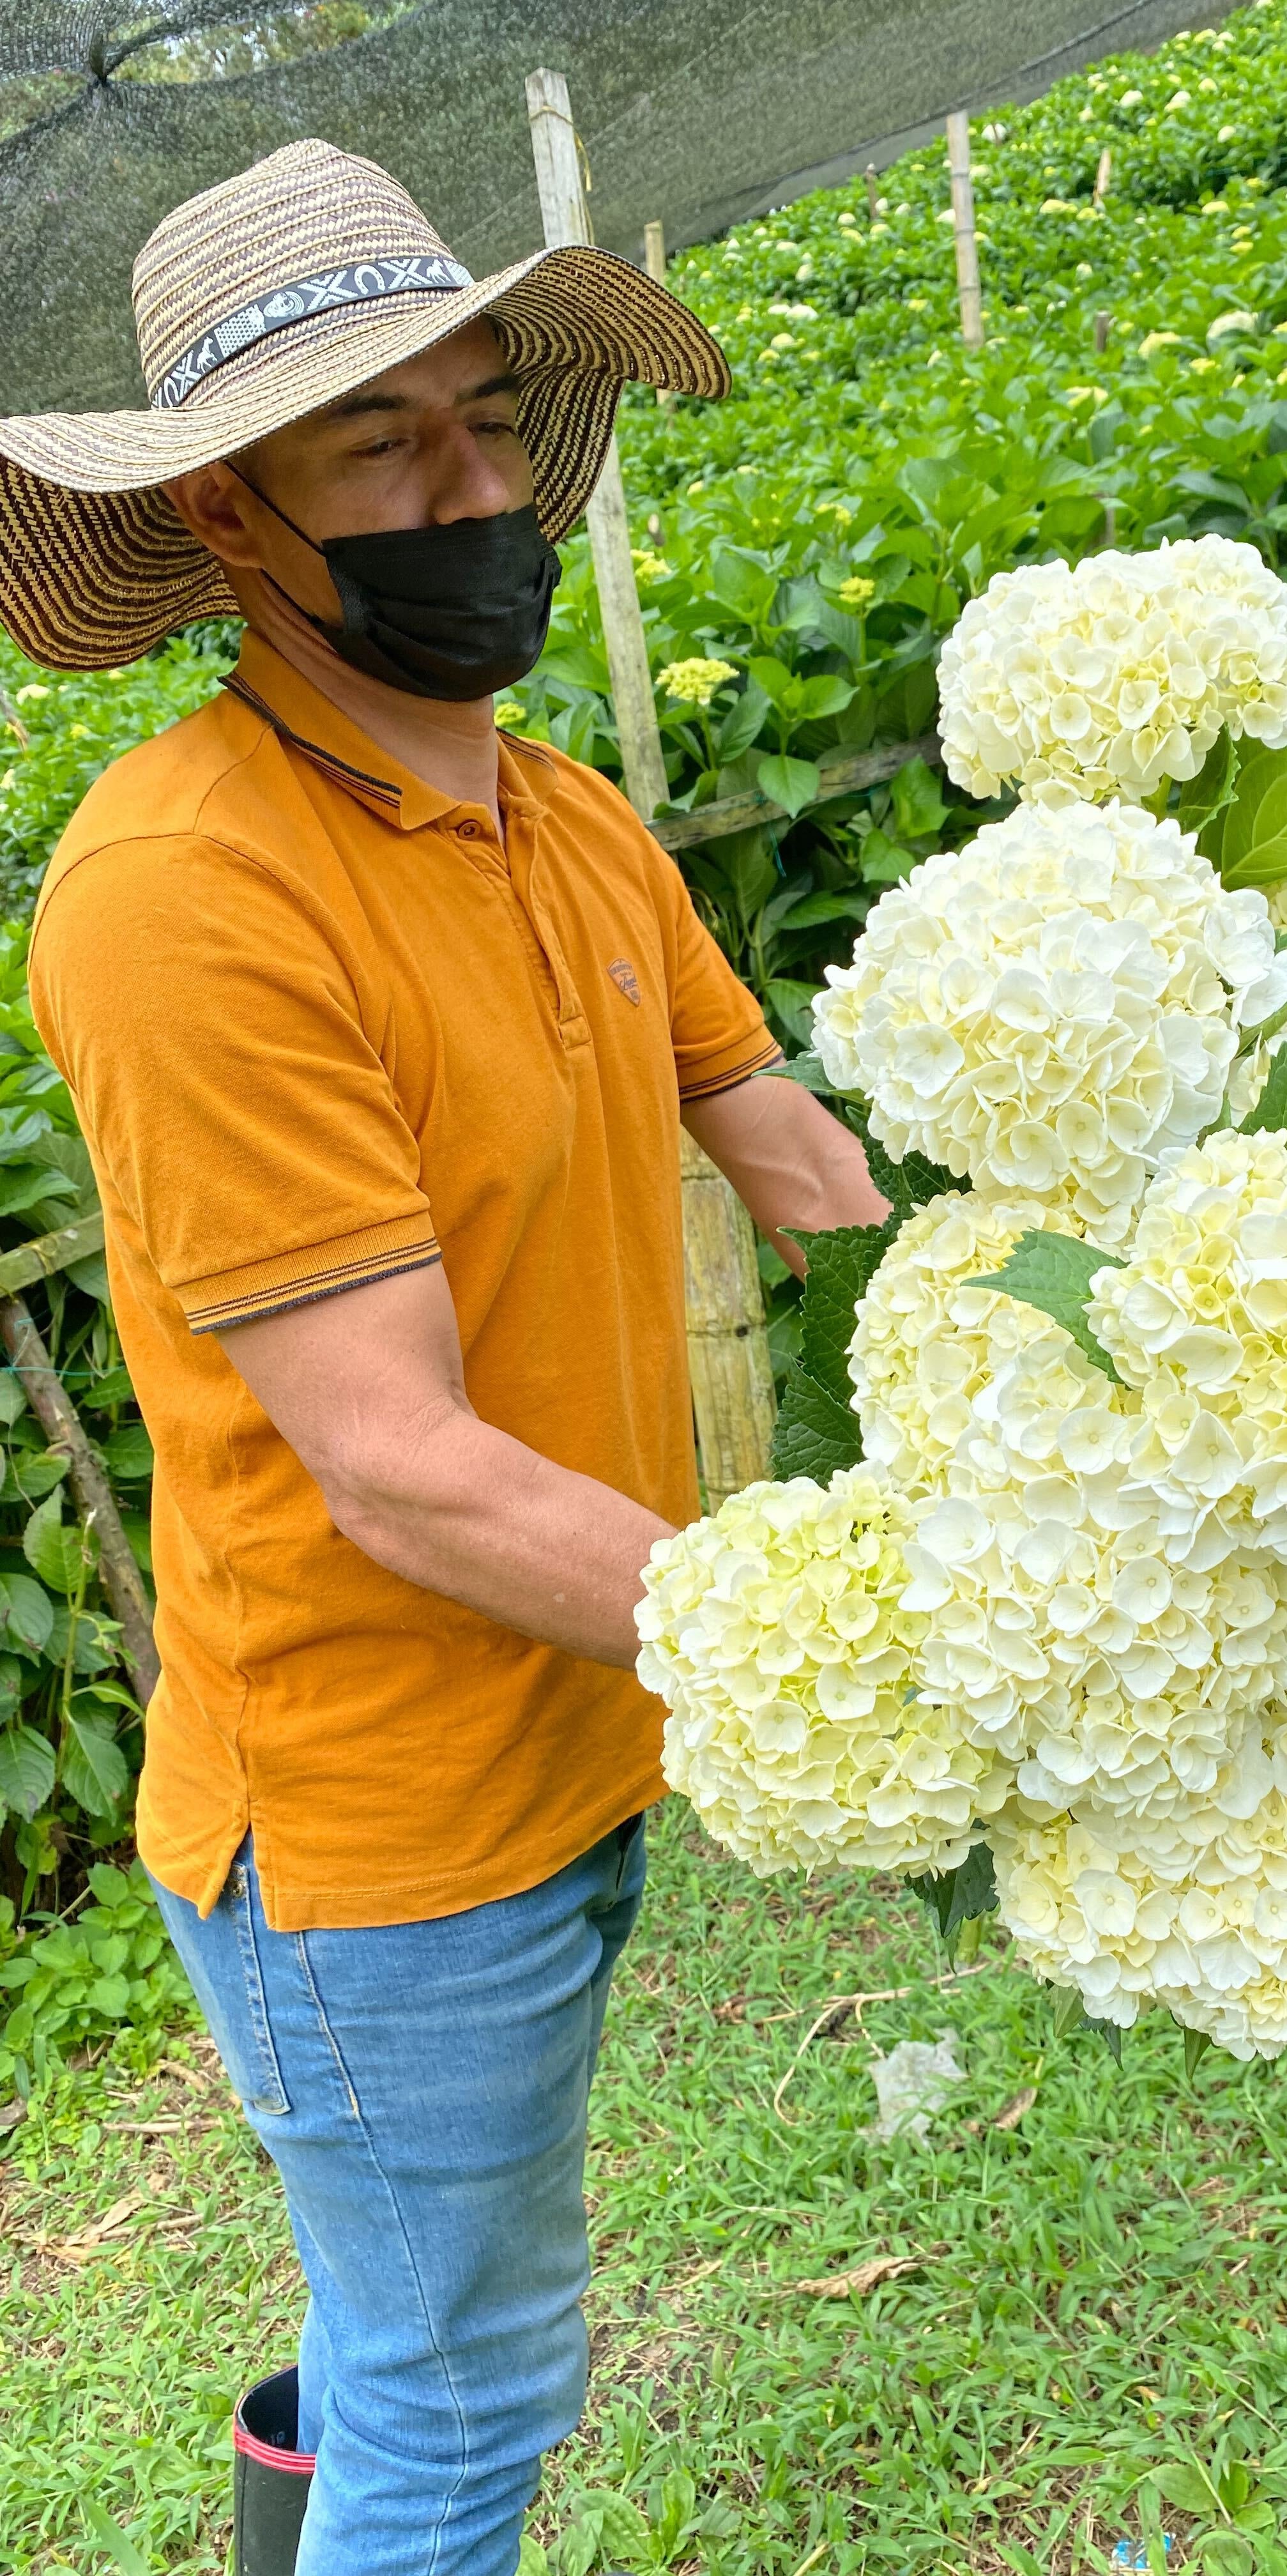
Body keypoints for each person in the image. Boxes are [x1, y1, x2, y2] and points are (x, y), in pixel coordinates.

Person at [0, 141, 887, 2576]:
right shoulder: (193, 891)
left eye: (491, 420)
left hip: (585, 1714)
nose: (468, 489)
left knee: (412, 2323)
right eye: (380, 445)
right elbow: (392, 1468)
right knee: (469, 2390)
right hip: (384, 1818)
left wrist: (1045, 1342)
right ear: (229, 521)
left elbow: (772, 1128)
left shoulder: (573, 816)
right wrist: (855, 1663)